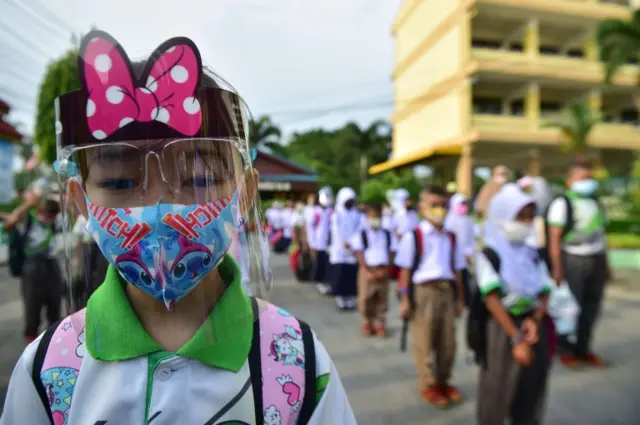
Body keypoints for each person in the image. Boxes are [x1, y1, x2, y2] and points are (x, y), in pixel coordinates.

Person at [0, 30, 356, 425]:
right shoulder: (49, 368)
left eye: (199, 180)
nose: (157, 208)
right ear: (81, 202)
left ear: (245, 192)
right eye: (119, 183)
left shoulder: (297, 361)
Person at [475, 184, 552, 425]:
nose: (525, 223)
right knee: (498, 385)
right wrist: (516, 338)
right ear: (502, 215)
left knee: (531, 385)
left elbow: (544, 289)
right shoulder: (489, 254)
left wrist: (535, 320)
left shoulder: (532, 252)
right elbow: (492, 300)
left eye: (529, 217)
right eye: (520, 217)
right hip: (503, 326)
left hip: (532, 323)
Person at [395, 185, 465, 408]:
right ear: (422, 207)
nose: (439, 210)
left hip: (446, 291)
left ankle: (444, 381)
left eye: (443, 206)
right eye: (433, 205)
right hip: (424, 292)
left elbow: (457, 269)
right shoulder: (414, 236)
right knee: (424, 340)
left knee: (447, 343)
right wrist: (405, 299)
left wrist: (460, 299)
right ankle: (429, 384)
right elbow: (404, 270)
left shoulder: (451, 237)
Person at [546, 162, 610, 369]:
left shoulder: (596, 203)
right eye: (582, 178)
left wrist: (606, 263)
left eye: (589, 178)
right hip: (573, 259)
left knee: (592, 306)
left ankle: (583, 349)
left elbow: (602, 234)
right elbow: (554, 238)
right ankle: (565, 349)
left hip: (596, 259)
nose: (588, 182)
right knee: (570, 308)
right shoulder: (562, 204)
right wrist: (557, 269)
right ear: (570, 181)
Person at [2, 194, 63, 345]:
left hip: (51, 265)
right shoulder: (28, 221)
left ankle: (54, 340)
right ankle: (31, 339)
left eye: (52, 215)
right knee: (32, 305)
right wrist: (29, 203)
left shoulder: (56, 222)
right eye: (47, 214)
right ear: (40, 211)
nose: (50, 218)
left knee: (55, 304)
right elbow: (9, 224)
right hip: (32, 267)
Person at [349, 204, 397, 337]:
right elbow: (359, 253)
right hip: (367, 269)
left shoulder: (387, 234)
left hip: (383, 269)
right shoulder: (362, 234)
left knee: (381, 298)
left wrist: (387, 269)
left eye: (377, 217)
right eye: (372, 217)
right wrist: (366, 270)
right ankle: (367, 322)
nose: (375, 220)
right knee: (365, 298)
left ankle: (379, 323)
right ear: (367, 218)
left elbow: (392, 252)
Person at [328, 187, 361, 310]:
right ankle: (340, 298)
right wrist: (345, 243)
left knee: (350, 275)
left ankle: (349, 297)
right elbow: (337, 232)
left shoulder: (356, 213)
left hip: (352, 249)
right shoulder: (337, 214)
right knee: (340, 275)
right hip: (340, 249)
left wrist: (353, 243)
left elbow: (359, 229)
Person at [444, 193, 475, 307]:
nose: (463, 206)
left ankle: (464, 300)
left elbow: (471, 238)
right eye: (461, 204)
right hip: (453, 255)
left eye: (464, 204)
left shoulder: (468, 220)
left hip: (466, 255)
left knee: (465, 279)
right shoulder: (449, 220)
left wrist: (469, 251)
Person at [312, 187, 334, 295]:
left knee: (328, 263)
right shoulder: (316, 211)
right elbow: (311, 228)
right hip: (319, 242)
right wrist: (312, 242)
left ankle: (328, 281)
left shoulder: (332, 211)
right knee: (320, 262)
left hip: (330, 243)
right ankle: (320, 281)